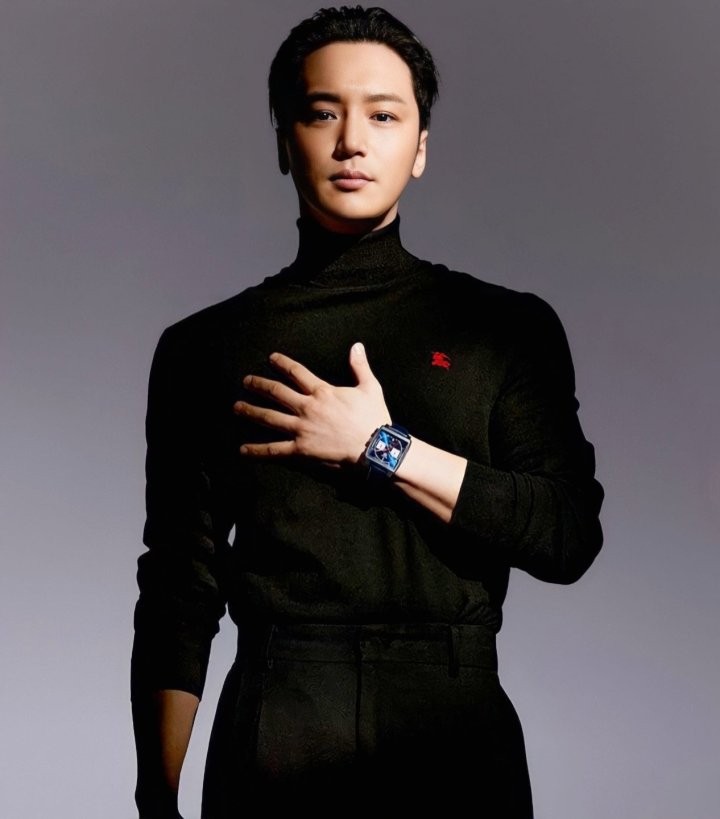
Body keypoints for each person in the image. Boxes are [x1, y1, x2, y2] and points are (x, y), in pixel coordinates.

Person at [131, 6, 604, 818]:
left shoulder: (505, 328)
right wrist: (156, 793)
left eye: (384, 115)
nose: (352, 140)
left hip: (454, 734)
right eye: (323, 113)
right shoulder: (203, 346)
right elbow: (180, 584)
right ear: (284, 141)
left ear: (420, 147)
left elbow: (567, 535)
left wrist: (380, 446)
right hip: (276, 729)